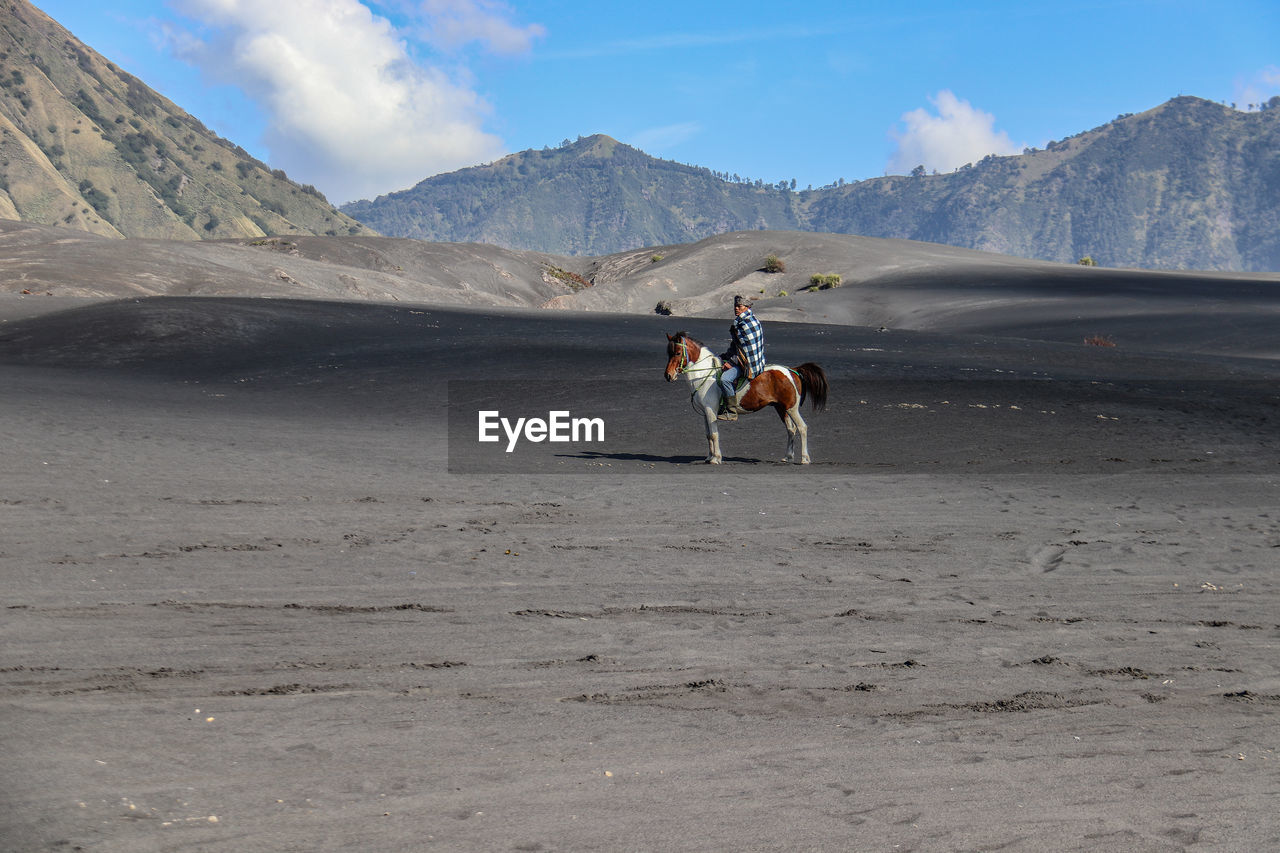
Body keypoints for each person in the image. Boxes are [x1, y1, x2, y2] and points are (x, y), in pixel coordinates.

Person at [717, 295, 765, 421]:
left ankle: (731, 411)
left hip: (748, 363)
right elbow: (737, 345)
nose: (736, 309)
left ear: (747, 307)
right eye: (735, 306)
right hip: (744, 358)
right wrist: (726, 356)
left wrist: (731, 363)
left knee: (725, 379)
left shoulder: (745, 325)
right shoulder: (746, 321)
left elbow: (745, 351)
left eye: (739, 306)